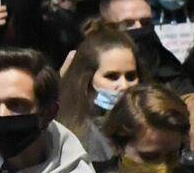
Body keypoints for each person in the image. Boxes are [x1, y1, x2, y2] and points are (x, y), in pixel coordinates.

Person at [57, 26, 142, 164]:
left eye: (131, 76)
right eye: (112, 76)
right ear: (86, 79)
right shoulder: (73, 133)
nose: (124, 85)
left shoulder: (143, 121)